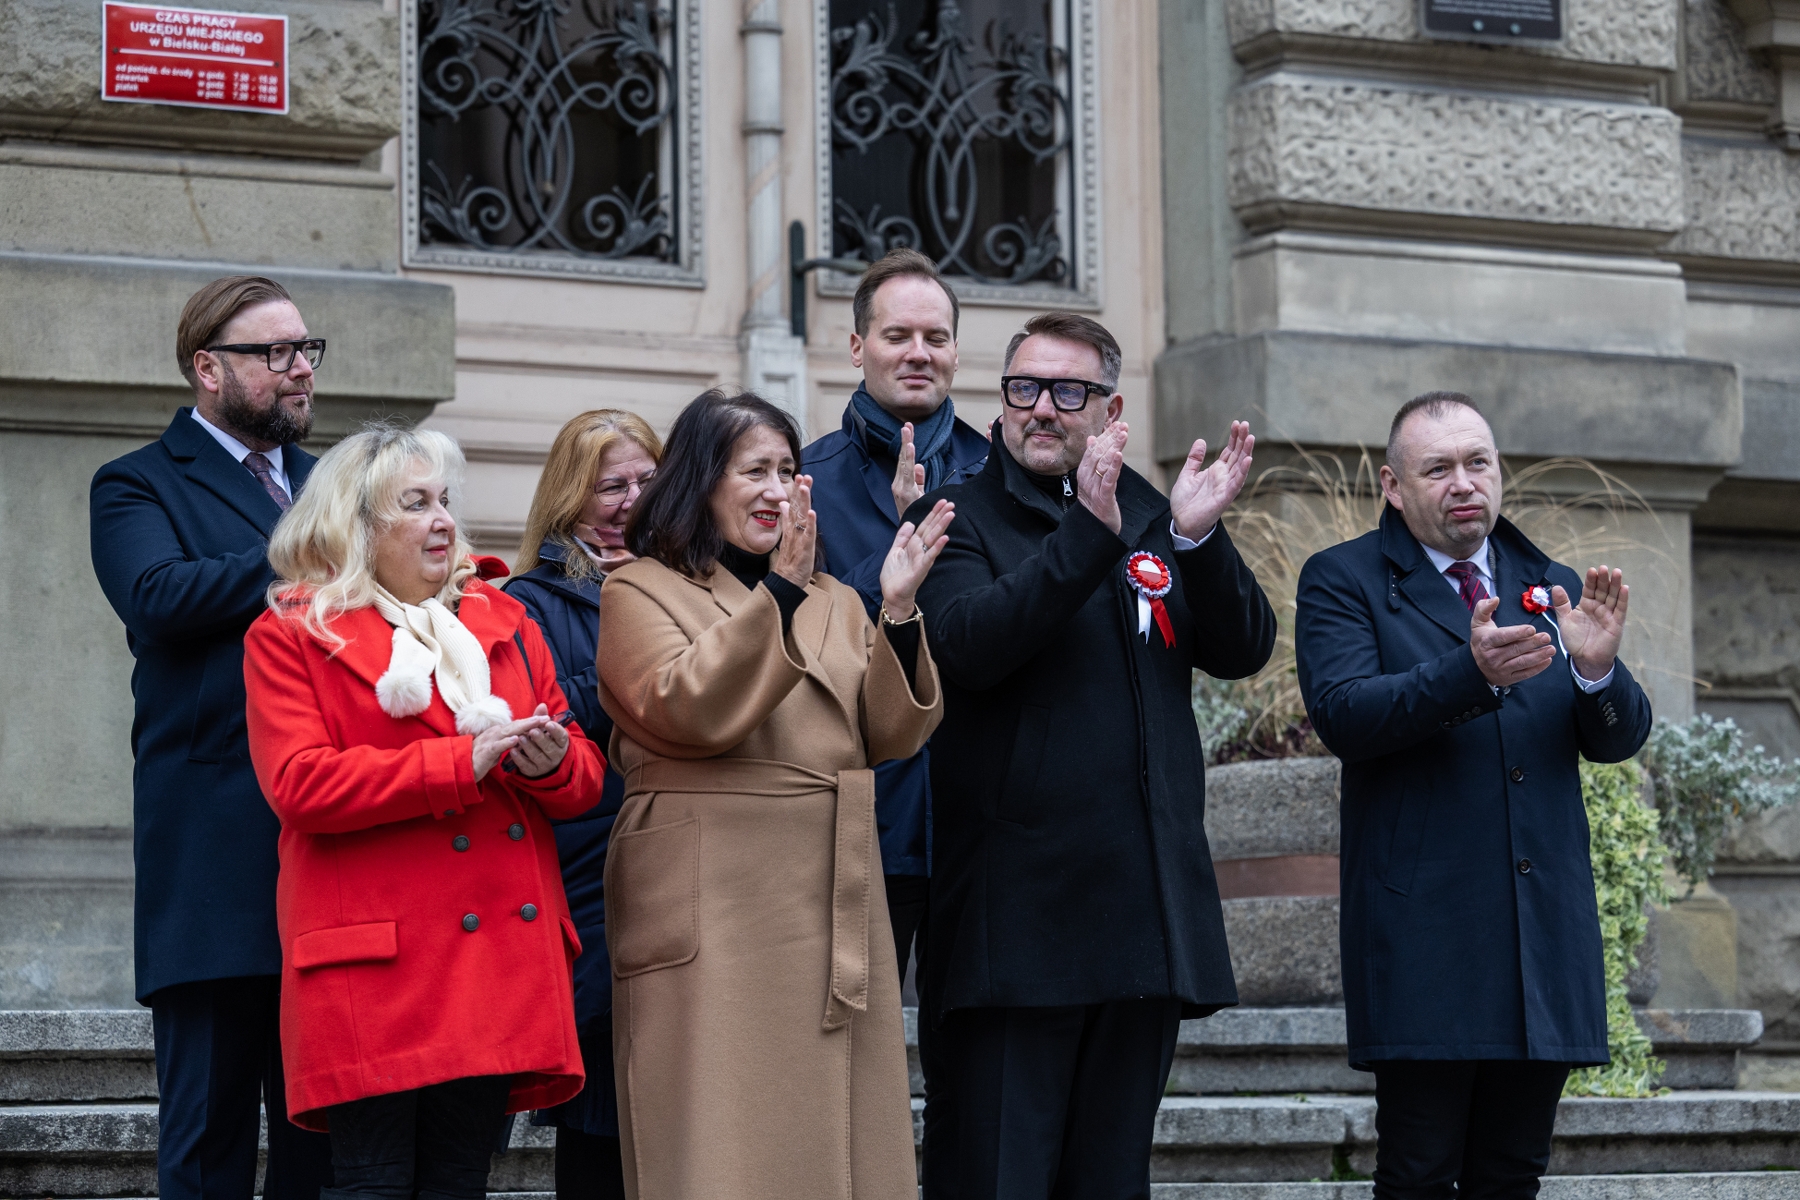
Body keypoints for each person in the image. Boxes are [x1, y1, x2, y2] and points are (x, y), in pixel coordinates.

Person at [906, 312, 1277, 1199]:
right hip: (1015, 933)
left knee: (1109, 1184)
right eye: (1023, 389)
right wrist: (1090, 535)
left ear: (1109, 408)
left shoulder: (1156, 514)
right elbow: (966, 648)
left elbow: (1245, 647)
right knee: (996, 1178)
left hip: (1139, 924)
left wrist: (1196, 540)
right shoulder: (953, 516)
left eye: (1067, 392)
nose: (1041, 409)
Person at [596, 389, 952, 1200]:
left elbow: (889, 733)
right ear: (699, 482)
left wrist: (897, 611)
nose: (777, 489)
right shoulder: (641, 588)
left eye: (788, 470)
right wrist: (779, 595)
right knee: (721, 1137)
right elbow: (687, 708)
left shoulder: (834, 597)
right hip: (714, 892)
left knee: (842, 1145)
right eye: (753, 469)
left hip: (828, 890)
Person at [1294, 392, 1652, 1199]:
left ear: (1499, 473)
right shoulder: (1342, 579)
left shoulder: (1548, 582)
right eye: (1439, 468)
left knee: (1512, 1173)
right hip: (1427, 936)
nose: (1464, 483)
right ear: (1393, 485)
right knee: (1420, 1173)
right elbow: (1347, 715)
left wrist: (1596, 671)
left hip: (1541, 936)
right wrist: (1470, 672)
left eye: (1478, 463)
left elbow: (1618, 737)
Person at [242, 424, 608, 1200]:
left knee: (458, 1182)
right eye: (416, 504)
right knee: (371, 1184)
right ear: (357, 525)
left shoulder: (504, 622)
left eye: (445, 501)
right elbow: (301, 785)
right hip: (374, 966)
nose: (444, 519)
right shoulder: (291, 633)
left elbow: (582, 778)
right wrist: (457, 763)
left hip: (492, 962)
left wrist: (550, 765)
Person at [88, 275, 335, 1200]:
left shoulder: (326, 482)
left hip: (335, 846)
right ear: (209, 369)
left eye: (307, 349)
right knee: (209, 1137)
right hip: (215, 858)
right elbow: (158, 599)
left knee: (324, 1137)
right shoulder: (135, 484)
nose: (299, 370)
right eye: (275, 353)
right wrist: (310, 546)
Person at [802, 249, 989, 984]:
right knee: (851, 1062)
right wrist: (893, 565)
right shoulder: (802, 483)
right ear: (857, 348)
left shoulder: (1000, 474)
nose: (919, 354)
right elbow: (790, 637)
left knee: (977, 1073)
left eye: (935, 338)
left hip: (985, 819)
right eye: (897, 335)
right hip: (857, 816)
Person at [505, 409, 663, 1200]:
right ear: (570, 498)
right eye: (611, 486)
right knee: (601, 1118)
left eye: (646, 480)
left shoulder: (702, 578)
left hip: (685, 873)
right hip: (595, 881)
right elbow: (562, 723)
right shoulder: (530, 602)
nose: (632, 499)